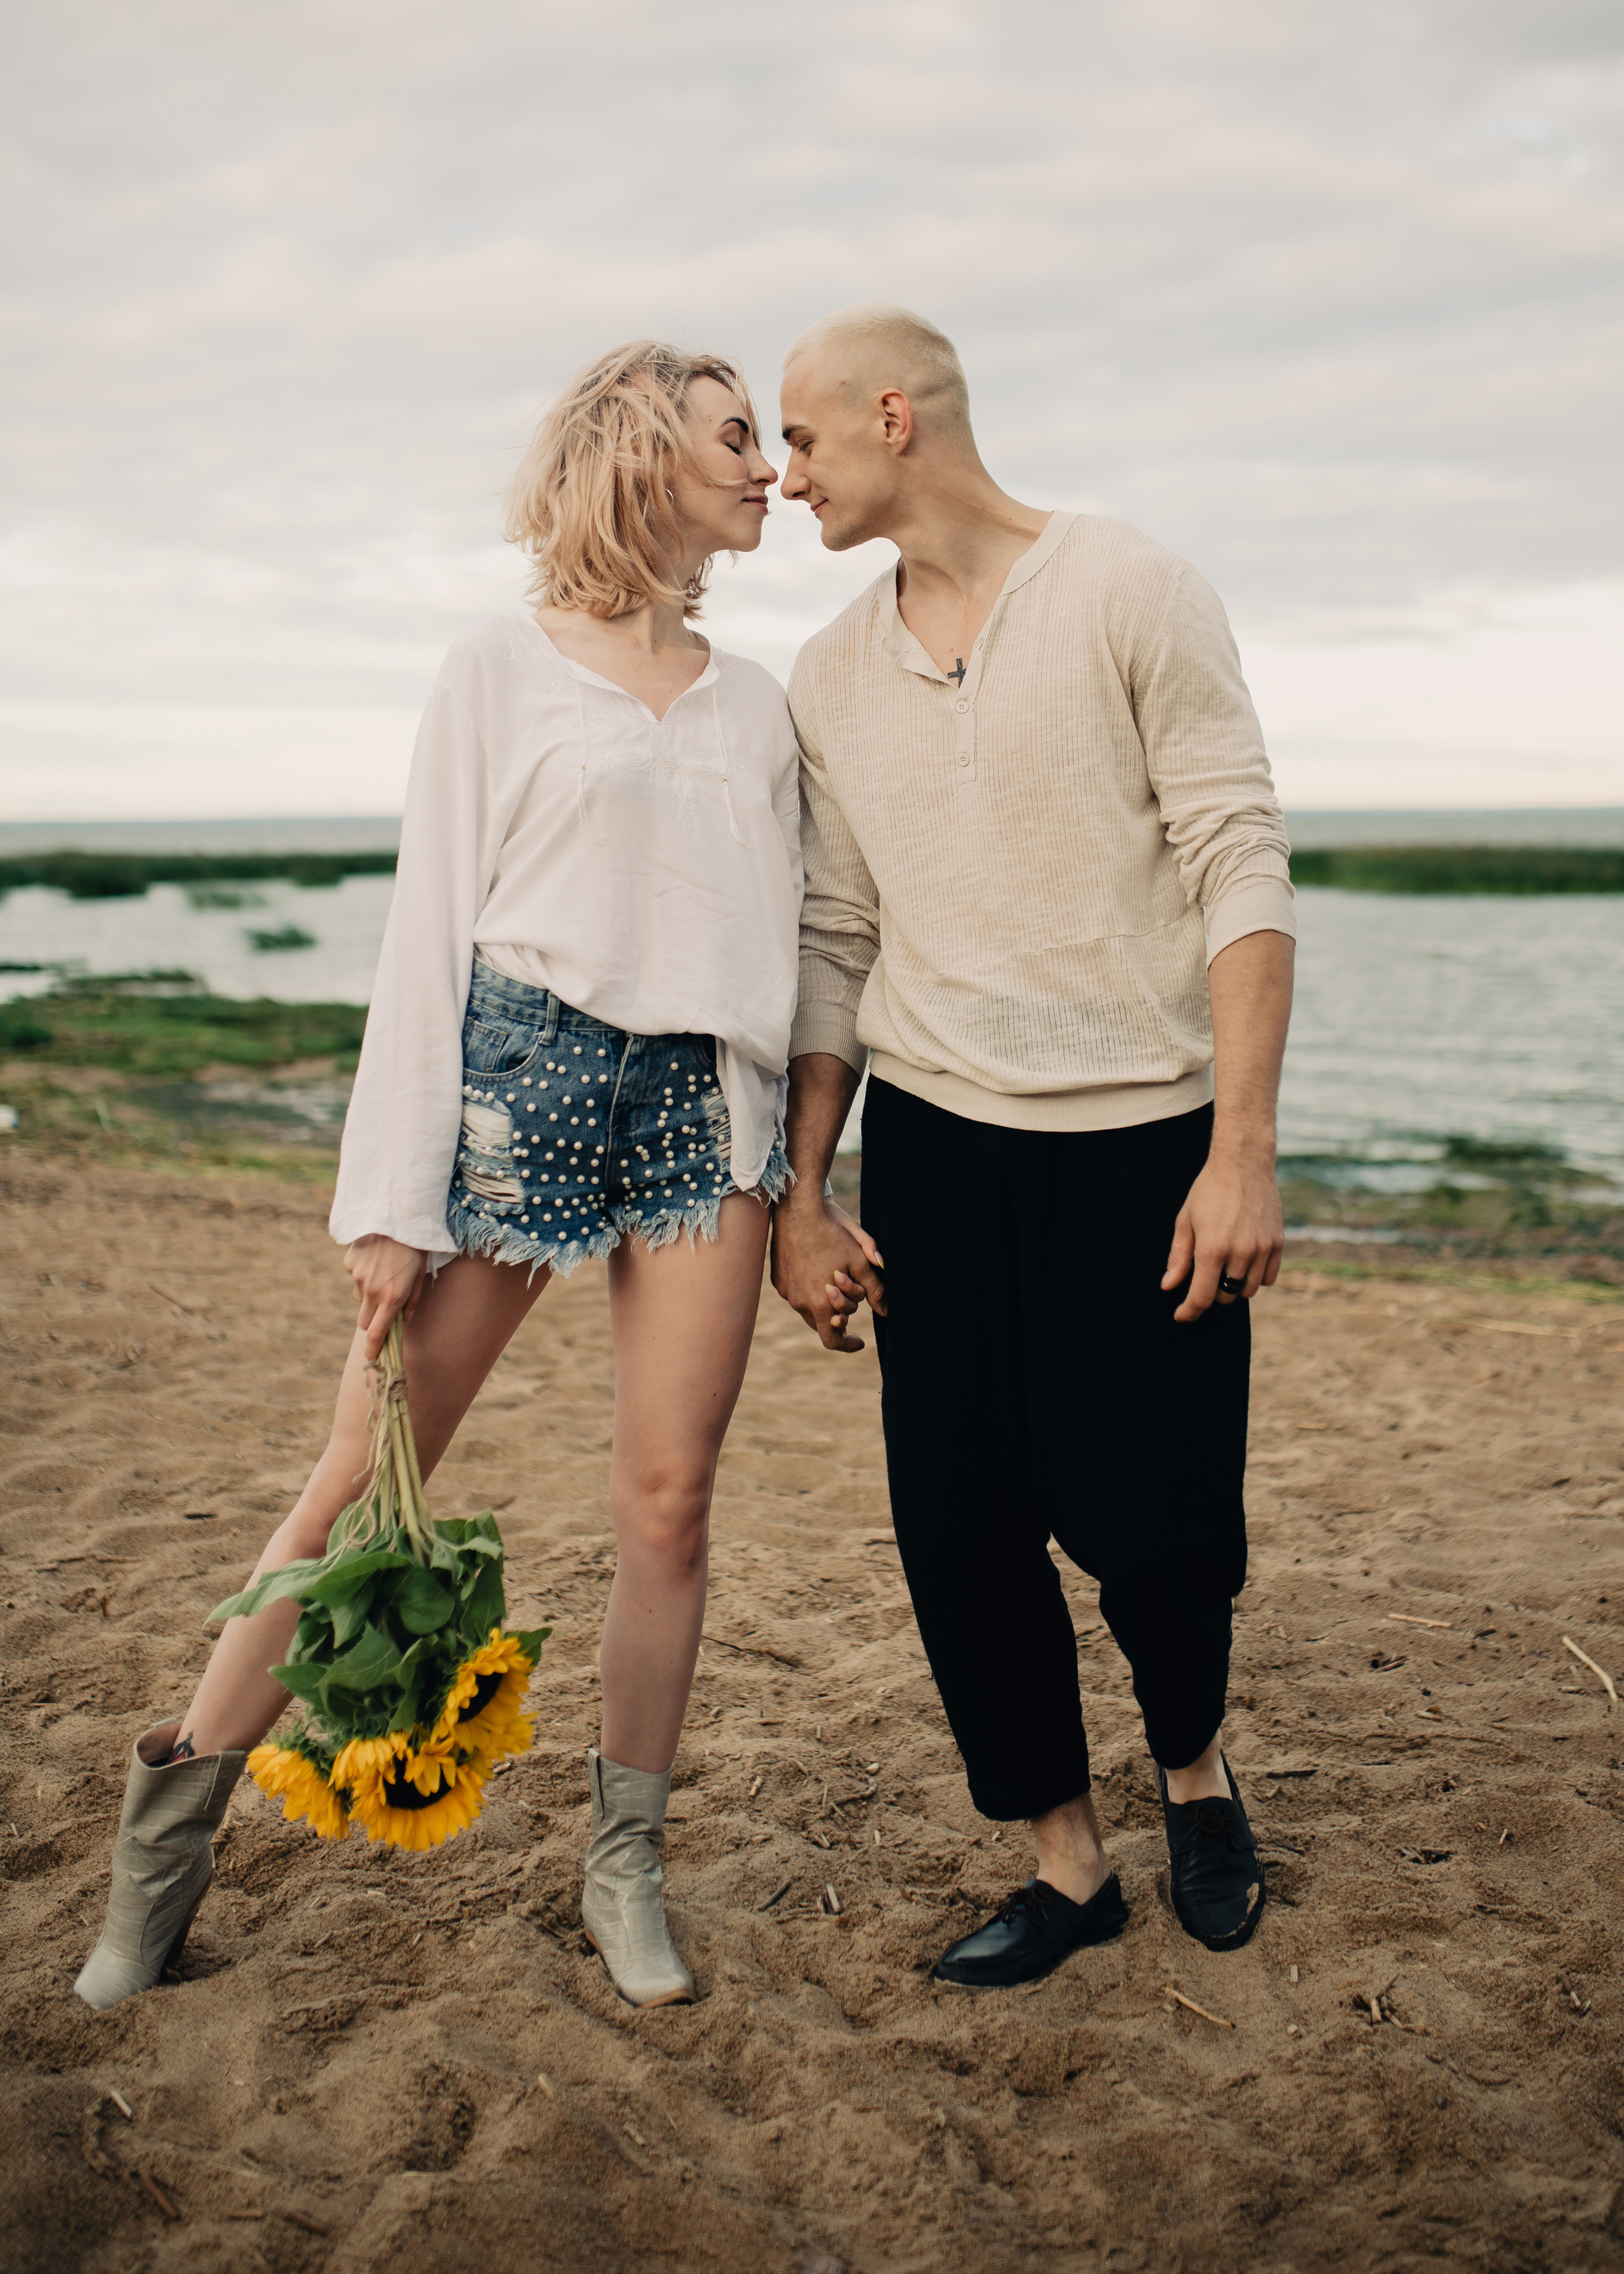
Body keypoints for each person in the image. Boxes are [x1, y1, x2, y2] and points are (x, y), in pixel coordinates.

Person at [75, 341, 800, 2014]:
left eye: (769, 435)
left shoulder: (759, 702)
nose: (768, 464)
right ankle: (160, 1852)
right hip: (514, 1089)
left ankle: (624, 1869)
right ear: (640, 455)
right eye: (734, 435)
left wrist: (803, 1175)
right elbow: (425, 938)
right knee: (352, 1480)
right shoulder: (496, 666)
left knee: (667, 1503)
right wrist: (388, 1203)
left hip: (703, 1113)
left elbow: (802, 949)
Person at [769, 303, 1295, 1988]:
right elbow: (838, 940)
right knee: (964, 1528)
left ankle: (1196, 1773)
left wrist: (1245, 1148)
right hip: (935, 1149)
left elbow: (1240, 865)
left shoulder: (1133, 587)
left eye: (803, 440)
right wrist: (801, 1190)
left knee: (1158, 1529)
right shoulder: (830, 673)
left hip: (1144, 1146)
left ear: (894, 414)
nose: (786, 479)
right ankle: (1069, 1870)